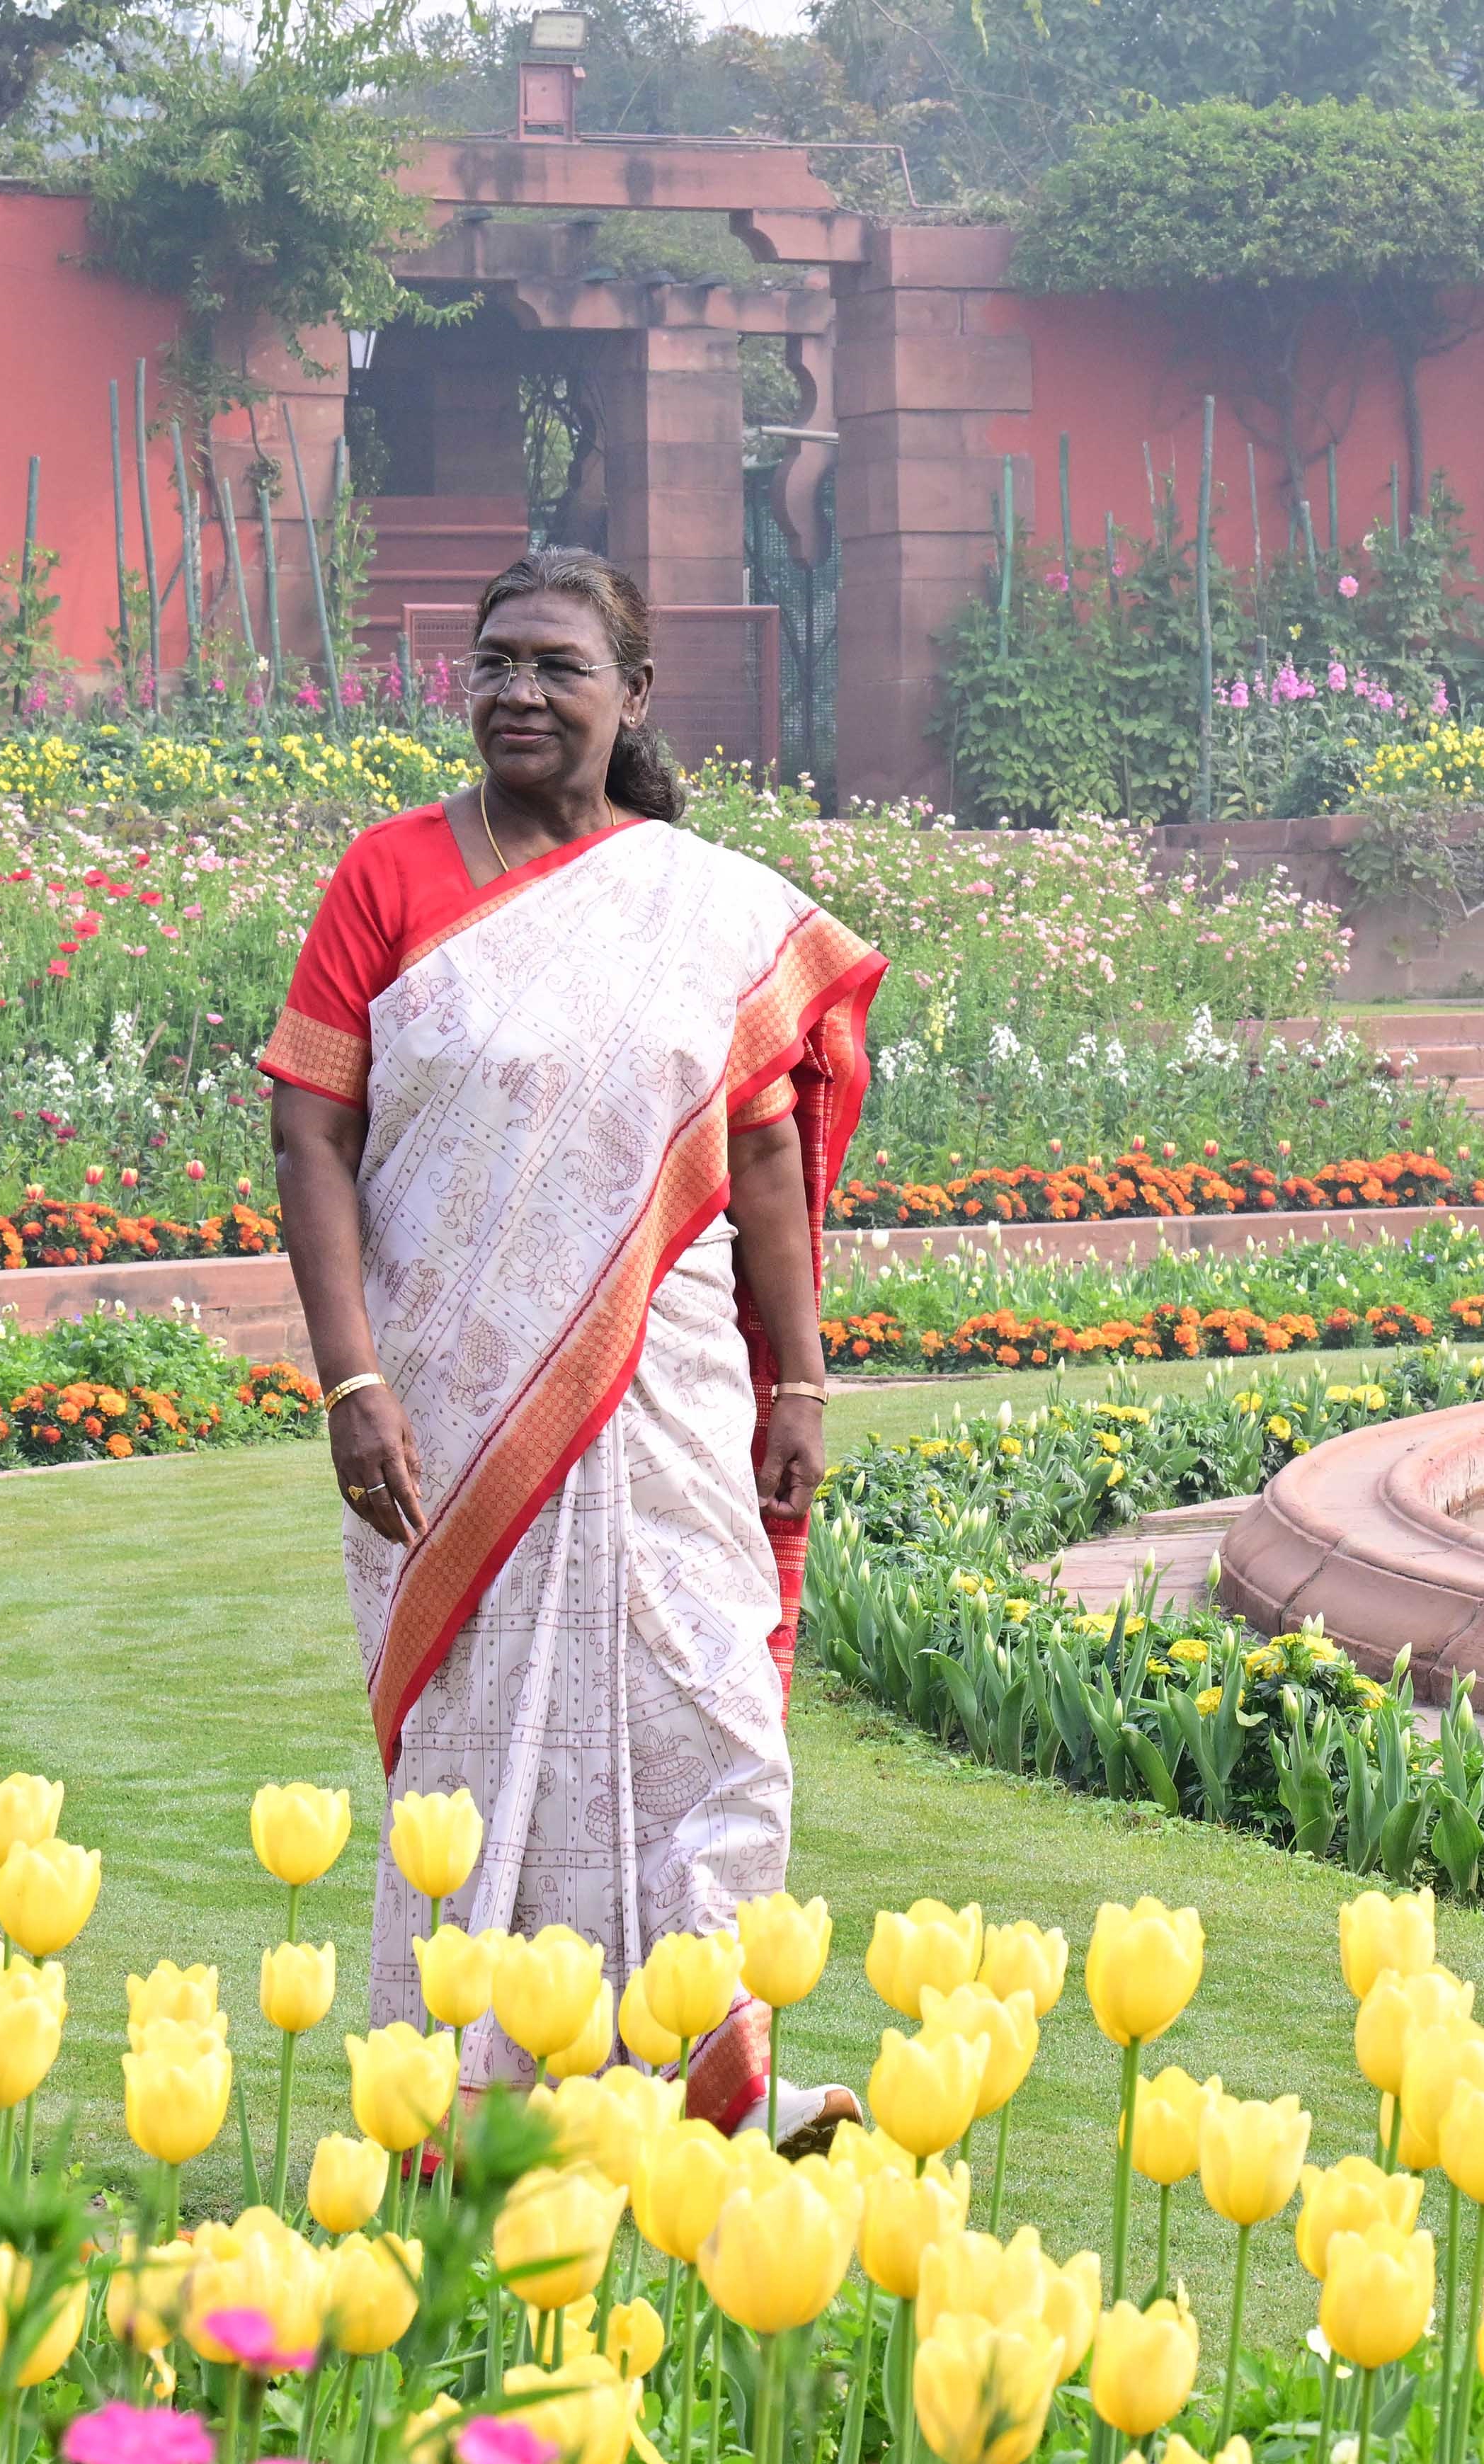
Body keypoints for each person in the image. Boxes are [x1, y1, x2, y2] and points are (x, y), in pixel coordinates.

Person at [263, 547, 881, 2140]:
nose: (516, 693)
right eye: (493, 663)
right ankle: (459, 2092)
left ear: (633, 696)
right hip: (449, 1410)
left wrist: (797, 1376)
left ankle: (717, 2071)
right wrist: (350, 1380)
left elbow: (758, 1166)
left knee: (706, 1713)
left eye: (554, 665)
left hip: (667, 1391)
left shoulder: (699, 903)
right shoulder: (387, 876)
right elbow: (310, 1134)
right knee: (475, 1751)